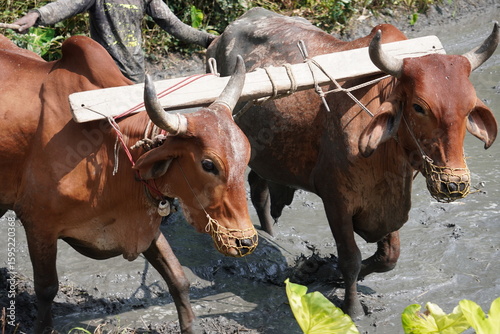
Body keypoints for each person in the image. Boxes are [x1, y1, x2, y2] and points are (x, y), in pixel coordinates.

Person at [14, 0, 216, 83]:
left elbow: (174, 25)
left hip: (134, 75)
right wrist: (37, 15)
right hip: (101, 75)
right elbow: (67, 4)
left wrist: (208, 40)